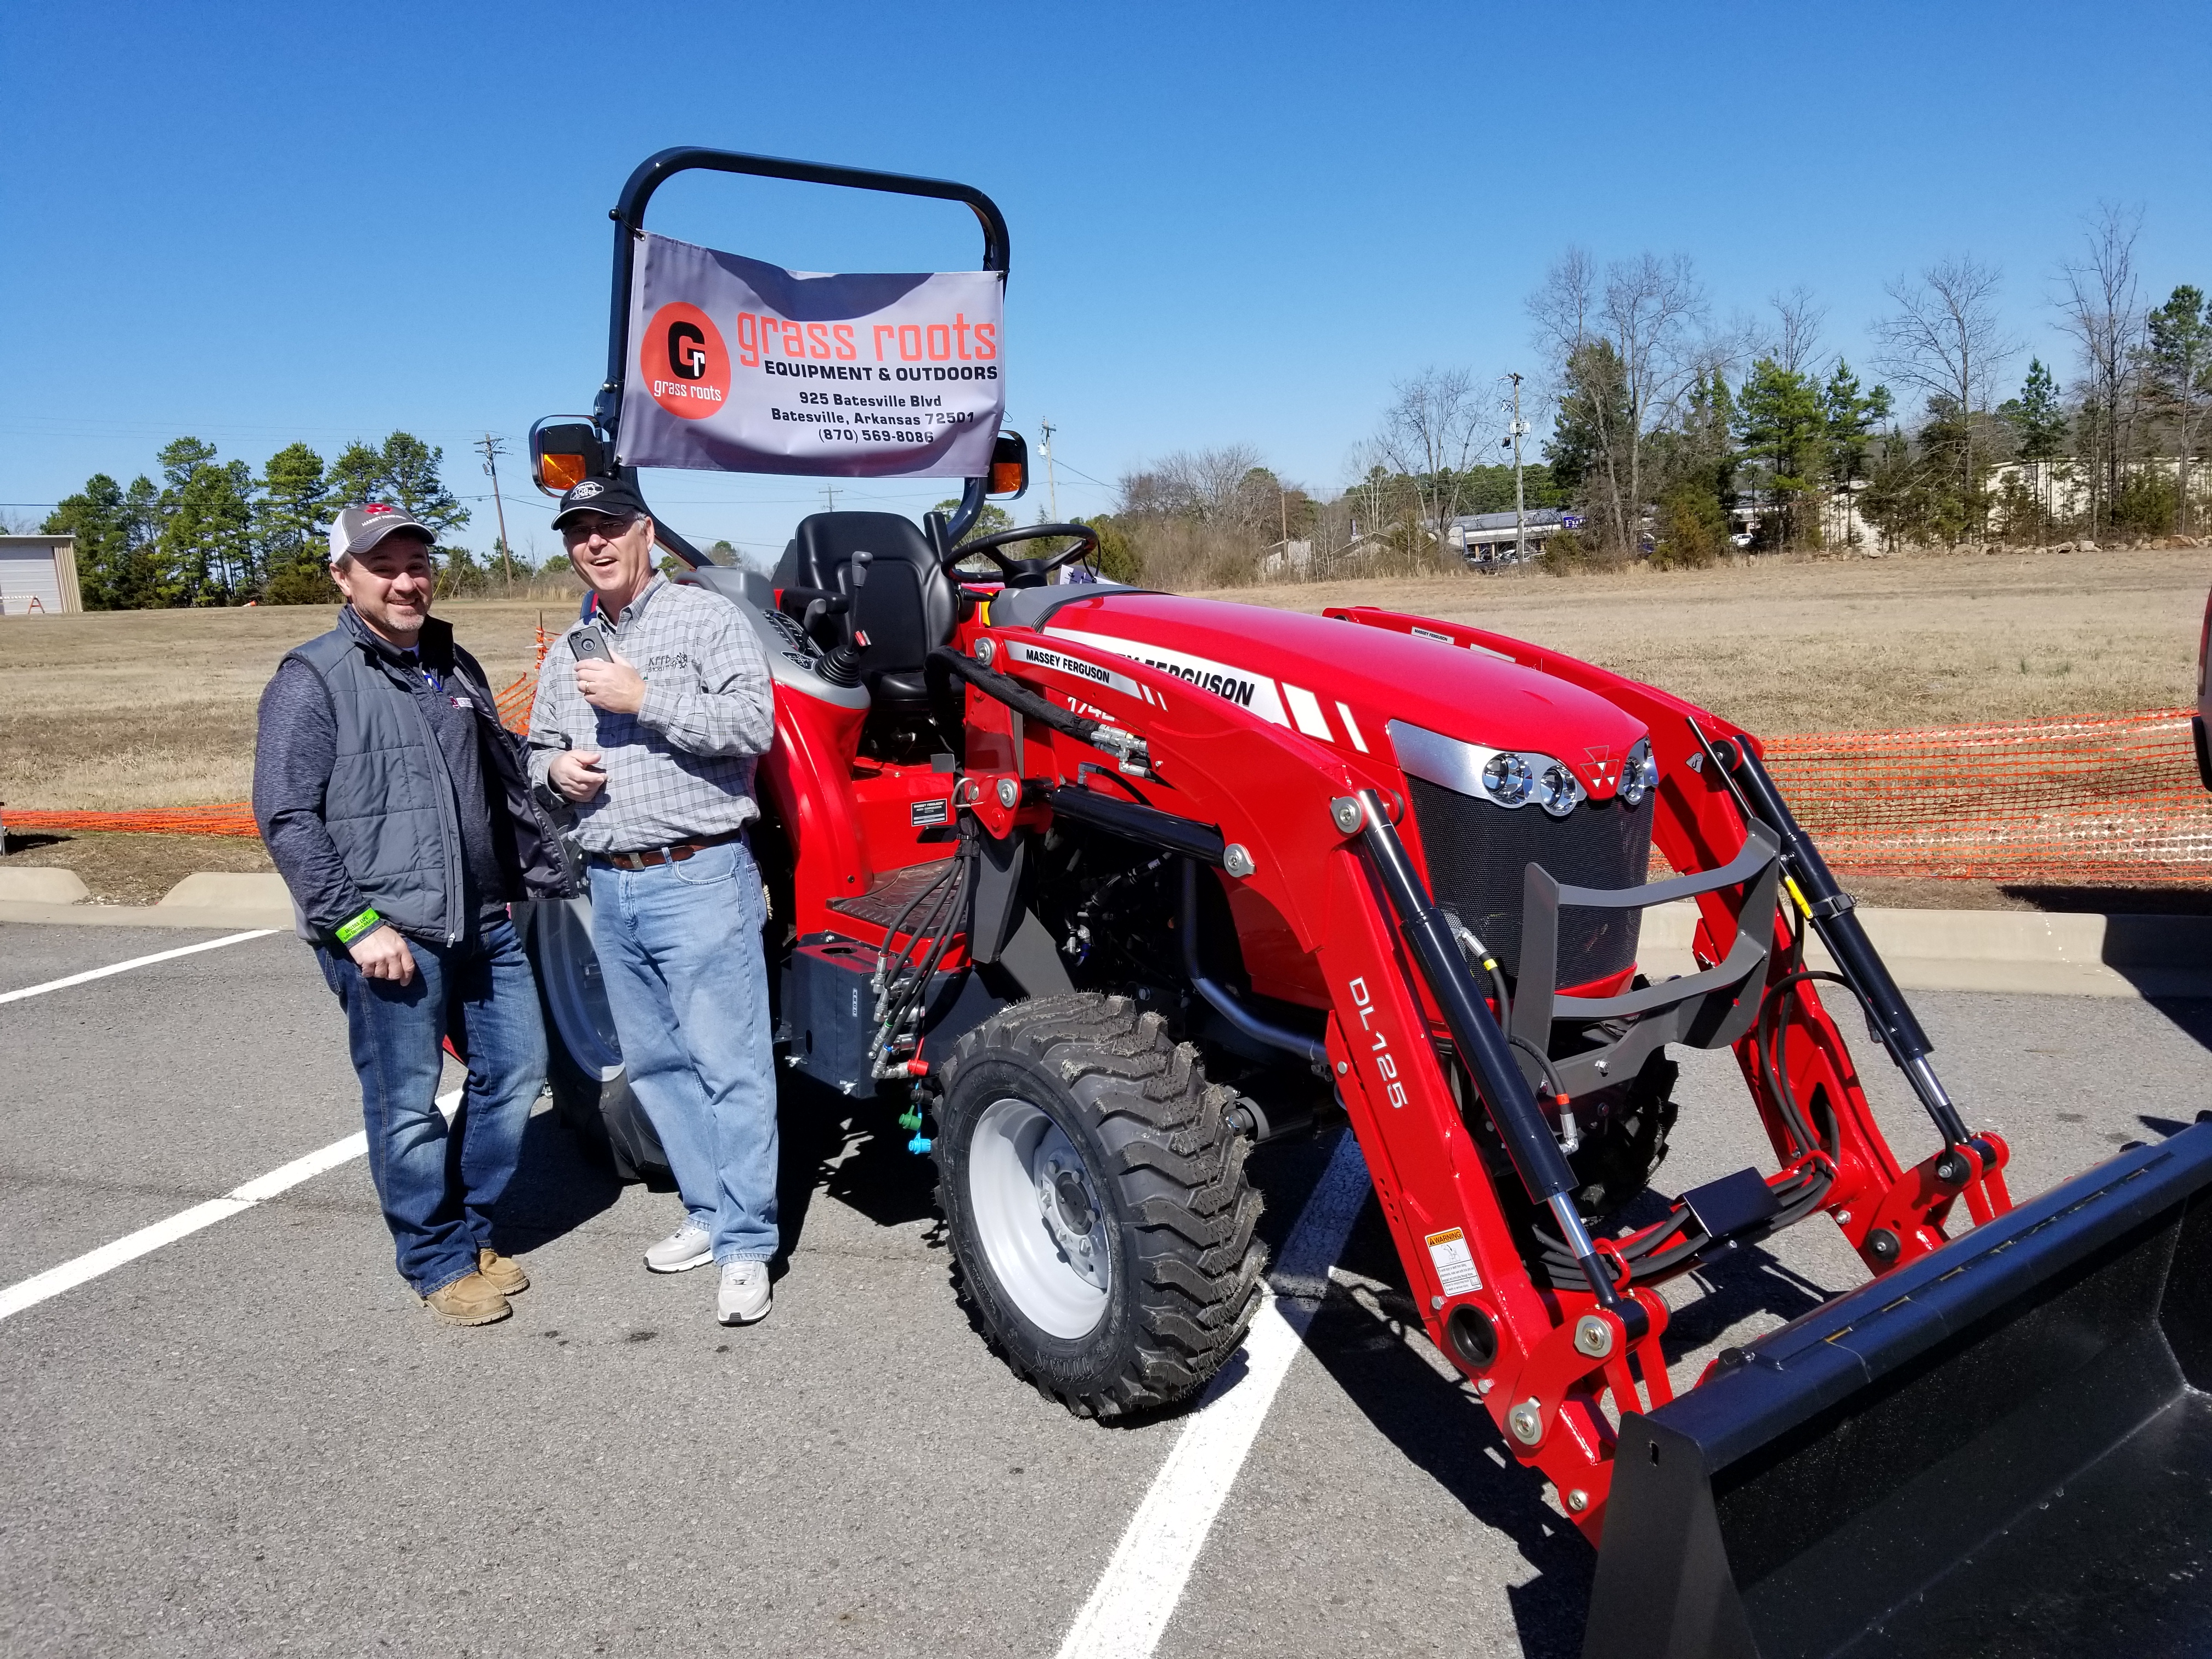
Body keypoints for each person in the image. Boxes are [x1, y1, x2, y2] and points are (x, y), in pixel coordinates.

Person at [254, 505, 562, 1327]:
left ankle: (470, 1225)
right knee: (406, 1107)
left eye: (416, 562)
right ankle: (434, 1260)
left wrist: (554, 771)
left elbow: (494, 768)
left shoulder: (451, 662)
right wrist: (357, 926)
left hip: (483, 919)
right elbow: (286, 815)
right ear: (343, 577)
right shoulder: (311, 678)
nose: (405, 580)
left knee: (520, 1072)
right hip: (389, 934)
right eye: (382, 565)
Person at [526, 477, 779, 1325]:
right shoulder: (569, 649)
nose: (592, 545)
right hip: (611, 882)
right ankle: (708, 1214)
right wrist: (554, 772)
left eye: (606, 529)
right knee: (662, 1069)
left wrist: (645, 699)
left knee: (730, 1065)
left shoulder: (704, 619)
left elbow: (753, 725)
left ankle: (748, 1243)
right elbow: (539, 752)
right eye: (577, 533)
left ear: (644, 532)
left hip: (698, 874)